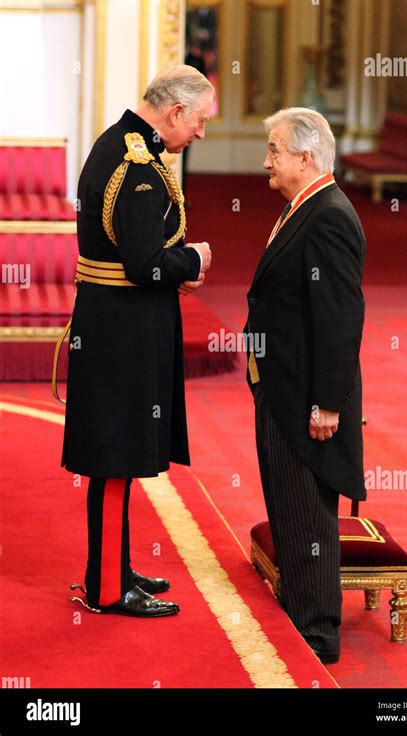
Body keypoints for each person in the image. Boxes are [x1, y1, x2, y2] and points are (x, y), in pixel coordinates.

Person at [55, 65, 214, 617]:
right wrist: (192, 259)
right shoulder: (139, 167)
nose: (199, 134)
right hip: (123, 331)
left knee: (116, 455)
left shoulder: (123, 143)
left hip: (111, 324)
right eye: (198, 122)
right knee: (116, 456)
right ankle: (106, 589)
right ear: (175, 113)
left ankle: (115, 565)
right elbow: (145, 264)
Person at [244, 107, 366, 663]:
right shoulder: (305, 208)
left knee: (308, 511)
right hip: (282, 387)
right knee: (289, 509)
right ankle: (298, 612)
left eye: (274, 150)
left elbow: (340, 319)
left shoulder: (330, 217)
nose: (266, 161)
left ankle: (317, 636)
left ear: (306, 156)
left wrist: (326, 404)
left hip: (307, 400)